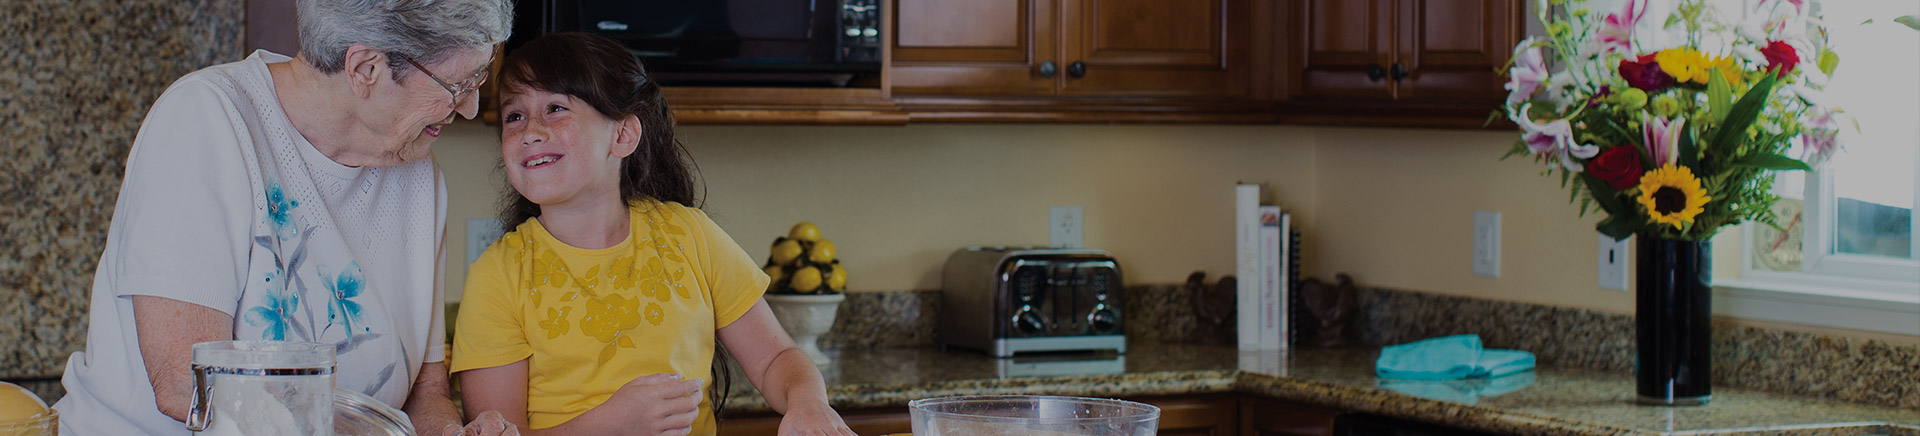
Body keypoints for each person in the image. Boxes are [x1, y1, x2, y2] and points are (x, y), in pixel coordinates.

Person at [54, 0, 520, 435]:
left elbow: (424, 391)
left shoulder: (416, 170)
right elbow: (186, 386)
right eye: (457, 85)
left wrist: (451, 432)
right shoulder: (209, 121)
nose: (471, 107)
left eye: (479, 82)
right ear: (365, 69)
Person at [452, 32, 856, 436]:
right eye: (514, 116)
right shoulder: (497, 276)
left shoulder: (690, 235)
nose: (530, 131)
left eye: (555, 108)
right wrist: (610, 424)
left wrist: (807, 404)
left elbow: (776, 360)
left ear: (623, 135)